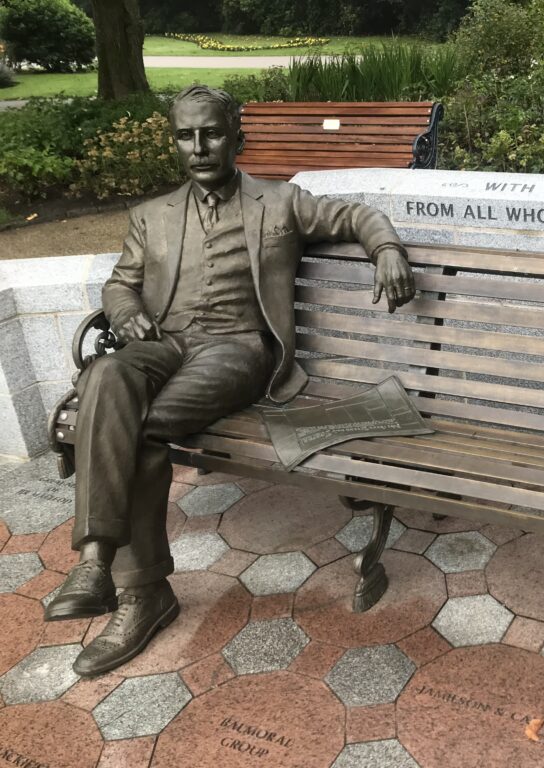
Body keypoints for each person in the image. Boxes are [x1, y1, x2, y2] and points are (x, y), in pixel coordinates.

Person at [43, 85, 415, 676]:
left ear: (235, 137)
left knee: (134, 426)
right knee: (109, 369)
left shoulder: (280, 201)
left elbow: (356, 215)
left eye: (211, 133)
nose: (198, 147)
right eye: (185, 136)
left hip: (238, 350)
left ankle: (137, 592)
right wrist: (122, 312)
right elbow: (120, 283)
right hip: (162, 343)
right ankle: (97, 563)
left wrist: (387, 247)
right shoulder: (149, 216)